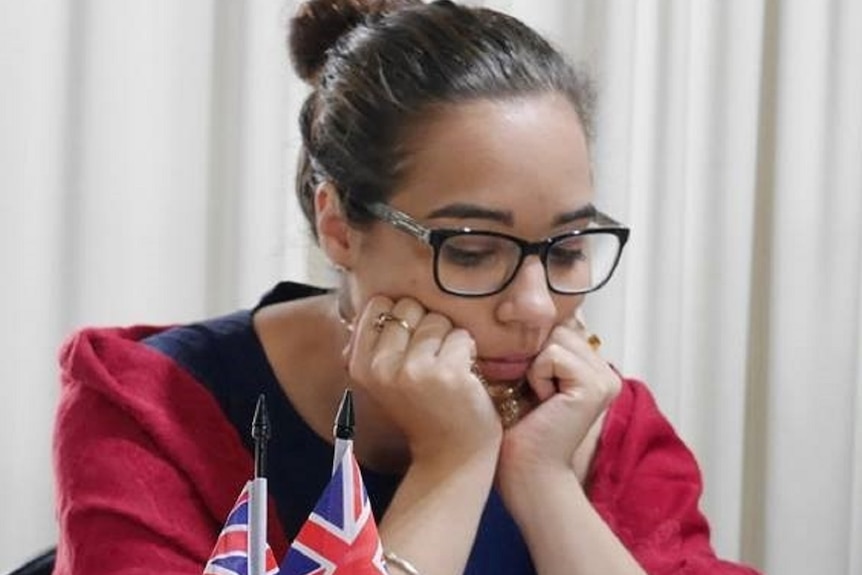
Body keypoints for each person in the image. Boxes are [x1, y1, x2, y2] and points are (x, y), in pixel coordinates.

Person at [51, 1, 762, 574]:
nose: (537, 307)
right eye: (476, 250)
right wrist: (451, 467)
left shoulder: (602, 420)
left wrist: (545, 483)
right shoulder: (153, 409)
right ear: (339, 226)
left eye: (569, 248)